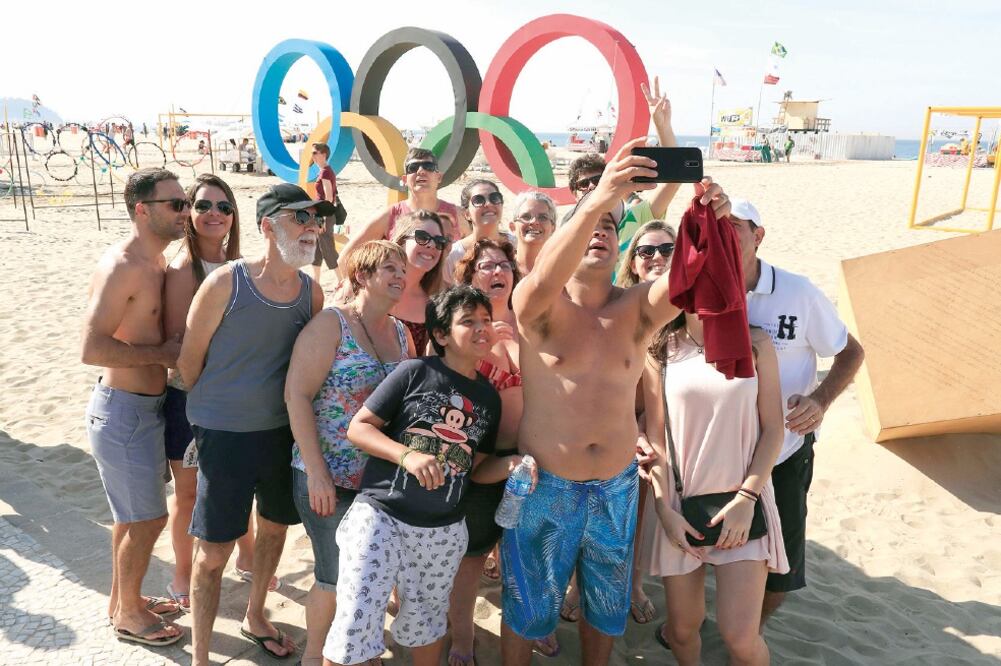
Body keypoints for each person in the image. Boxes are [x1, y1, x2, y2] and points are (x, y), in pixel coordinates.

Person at [500, 138, 732, 666]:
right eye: (589, 225)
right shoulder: (537, 306)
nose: (599, 231)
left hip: (617, 488)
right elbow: (539, 279)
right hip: (546, 488)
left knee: (605, 607)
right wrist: (599, 198)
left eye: (609, 226)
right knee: (526, 607)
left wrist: (712, 220)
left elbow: (694, 274)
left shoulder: (638, 309)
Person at [325, 285, 526, 666]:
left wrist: (512, 465)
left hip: (443, 529)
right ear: (441, 334)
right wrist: (408, 456)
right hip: (381, 514)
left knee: (428, 625)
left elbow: (476, 469)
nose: (482, 328)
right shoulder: (414, 371)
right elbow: (359, 428)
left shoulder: (489, 399)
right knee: (354, 623)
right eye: (468, 321)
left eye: (486, 319)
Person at [177, 183, 330, 664]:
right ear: (266, 226)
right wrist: (219, 413)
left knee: (275, 531)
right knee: (215, 553)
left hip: (282, 435)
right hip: (223, 437)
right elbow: (188, 364)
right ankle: (201, 656)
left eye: (315, 220)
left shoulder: (312, 291)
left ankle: (256, 613)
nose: (312, 229)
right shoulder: (226, 282)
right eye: (299, 219)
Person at [722, 199, 864, 628]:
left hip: (783, 452)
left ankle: (748, 636)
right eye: (717, 228)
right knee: (709, 544)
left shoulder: (797, 292)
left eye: (735, 227)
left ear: (758, 235)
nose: (726, 236)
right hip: (717, 452)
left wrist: (819, 401)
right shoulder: (702, 291)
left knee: (781, 569)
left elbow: (850, 352)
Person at [285, 240, 415, 666]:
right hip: (326, 476)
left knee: (370, 573)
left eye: (403, 269)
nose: (401, 276)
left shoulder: (400, 332)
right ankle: (314, 656)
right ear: (361, 276)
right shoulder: (330, 325)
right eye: (389, 269)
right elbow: (297, 396)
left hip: (377, 483)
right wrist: (318, 473)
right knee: (334, 573)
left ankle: (358, 650)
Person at [641, 302, 787, 665]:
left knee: (740, 638)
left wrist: (746, 498)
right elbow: (656, 439)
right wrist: (663, 508)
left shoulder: (756, 343)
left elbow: (774, 430)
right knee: (682, 630)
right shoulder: (660, 349)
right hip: (680, 506)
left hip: (743, 505)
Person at [80, 167, 188, 647]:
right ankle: (129, 616)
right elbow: (91, 348)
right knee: (148, 519)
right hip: (123, 409)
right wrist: (162, 355)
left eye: (185, 202)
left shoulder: (157, 264)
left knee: (130, 517)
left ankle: (123, 601)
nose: (185, 211)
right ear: (142, 210)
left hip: (144, 408)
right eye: (176, 204)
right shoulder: (123, 265)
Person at [447, 239, 557, 662]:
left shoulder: (536, 321)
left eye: (503, 266)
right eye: (485, 266)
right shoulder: (458, 328)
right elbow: (439, 384)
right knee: (472, 558)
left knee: (532, 554)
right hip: (479, 461)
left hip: (535, 457)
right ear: (470, 276)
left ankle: (535, 625)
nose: (496, 272)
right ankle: (462, 638)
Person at [162, 173, 265, 610]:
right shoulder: (184, 269)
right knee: (187, 493)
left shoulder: (240, 265)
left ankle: (247, 556)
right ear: (189, 211)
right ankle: (182, 575)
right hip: (189, 396)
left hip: (236, 398)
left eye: (224, 207)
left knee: (236, 485)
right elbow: (177, 345)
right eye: (203, 205)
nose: (214, 214)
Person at [609, 219, 680, 627]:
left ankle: (634, 584)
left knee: (642, 517)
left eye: (667, 250)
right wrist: (634, 427)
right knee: (613, 506)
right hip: (626, 425)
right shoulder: (623, 307)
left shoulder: (693, 310)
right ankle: (581, 585)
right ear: (633, 262)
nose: (657, 258)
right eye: (646, 251)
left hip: (679, 428)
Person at [562, 77, 682, 260]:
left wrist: (663, 126)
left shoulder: (635, 218)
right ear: (574, 193)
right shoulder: (567, 229)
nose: (593, 187)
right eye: (584, 184)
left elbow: (674, 180)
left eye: (598, 180)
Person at [337, 148, 464, 270]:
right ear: (405, 180)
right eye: (413, 168)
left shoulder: (457, 215)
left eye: (428, 167)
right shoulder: (390, 216)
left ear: (439, 177)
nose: (421, 171)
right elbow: (345, 259)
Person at [389, 209, 449, 355]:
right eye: (422, 237)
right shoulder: (369, 286)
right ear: (402, 241)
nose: (431, 245)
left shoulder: (441, 300)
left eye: (439, 241)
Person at [444, 179, 515, 280]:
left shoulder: (516, 245)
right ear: (466, 214)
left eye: (494, 198)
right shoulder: (453, 255)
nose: (489, 204)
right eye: (478, 200)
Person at [310, 142, 347, 285]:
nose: (312, 156)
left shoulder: (325, 171)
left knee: (327, 248)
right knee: (317, 248)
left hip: (324, 215)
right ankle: (316, 282)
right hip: (320, 214)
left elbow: (329, 197)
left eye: (315, 153)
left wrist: (323, 218)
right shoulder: (324, 170)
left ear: (323, 155)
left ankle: (342, 280)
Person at [507, 191, 557, 276]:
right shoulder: (502, 269)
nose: (534, 221)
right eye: (526, 216)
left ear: (553, 228)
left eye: (542, 217)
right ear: (513, 227)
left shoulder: (561, 270)